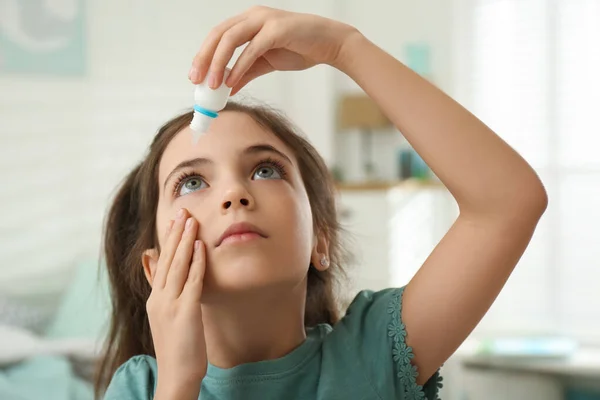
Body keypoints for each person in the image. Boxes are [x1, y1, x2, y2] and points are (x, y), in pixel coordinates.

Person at [96, 6, 548, 400]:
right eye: (192, 182)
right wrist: (178, 385)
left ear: (321, 240)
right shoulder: (142, 390)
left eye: (266, 170)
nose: (235, 193)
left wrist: (345, 48)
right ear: (155, 270)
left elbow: (507, 203)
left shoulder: (373, 356)